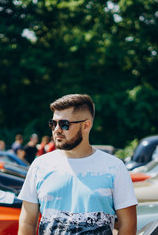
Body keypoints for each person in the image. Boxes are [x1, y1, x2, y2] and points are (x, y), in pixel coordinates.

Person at [18, 94, 137, 234]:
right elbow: (27, 222)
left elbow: (128, 224)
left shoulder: (114, 167)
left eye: (64, 124)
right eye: (53, 123)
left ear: (86, 126)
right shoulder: (39, 165)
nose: (56, 130)